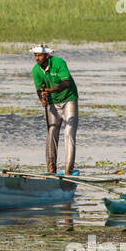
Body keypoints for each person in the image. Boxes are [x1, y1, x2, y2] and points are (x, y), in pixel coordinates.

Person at [31, 44, 79, 175]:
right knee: (51, 133)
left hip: (69, 99)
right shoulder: (36, 70)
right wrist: (42, 99)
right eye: (35, 55)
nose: (37, 58)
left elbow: (66, 83)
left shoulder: (58, 63)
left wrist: (51, 90)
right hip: (53, 103)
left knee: (68, 133)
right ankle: (51, 170)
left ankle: (68, 171)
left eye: (39, 55)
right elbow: (39, 90)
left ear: (47, 56)